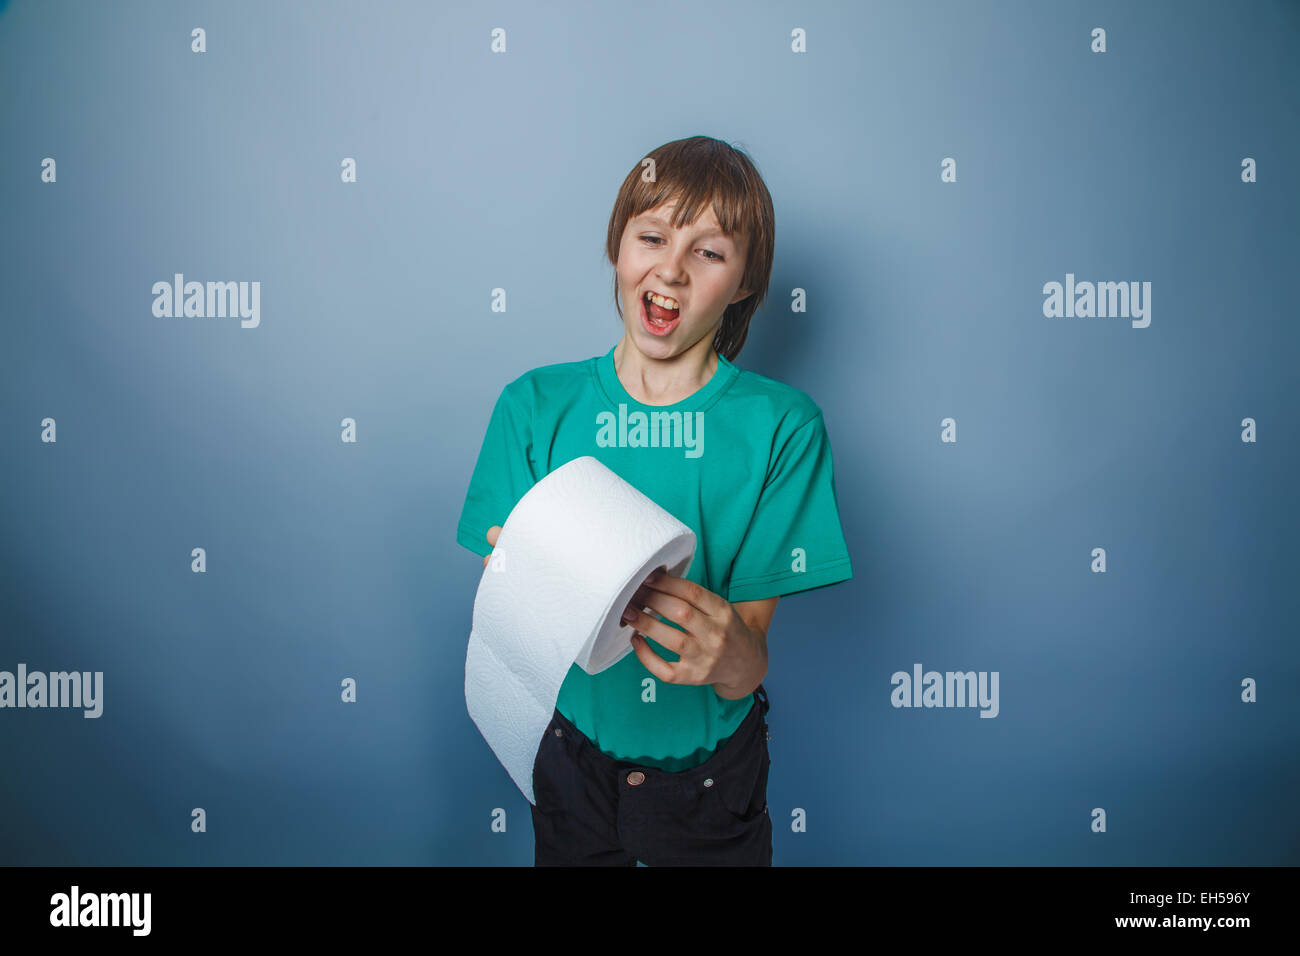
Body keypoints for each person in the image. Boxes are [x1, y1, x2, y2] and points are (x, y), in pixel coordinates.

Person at [456, 135, 853, 866]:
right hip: (569, 763)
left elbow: (748, 661)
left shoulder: (783, 428)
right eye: (652, 236)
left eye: (710, 252)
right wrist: (523, 572)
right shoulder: (534, 406)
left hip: (710, 784)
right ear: (618, 247)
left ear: (741, 284)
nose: (669, 267)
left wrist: (732, 652)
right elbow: (509, 608)